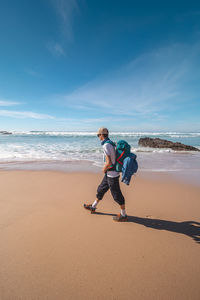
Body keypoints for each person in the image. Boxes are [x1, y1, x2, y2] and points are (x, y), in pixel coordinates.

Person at [84, 127, 128, 222]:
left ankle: (123, 215)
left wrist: (103, 169)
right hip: (109, 173)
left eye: (98, 135)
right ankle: (93, 206)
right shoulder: (110, 143)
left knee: (117, 195)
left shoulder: (106, 145)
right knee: (101, 189)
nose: (98, 137)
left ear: (101, 135)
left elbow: (109, 162)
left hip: (112, 174)